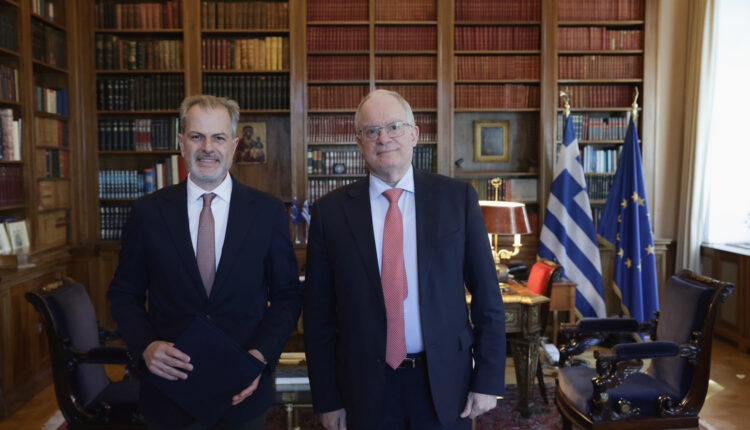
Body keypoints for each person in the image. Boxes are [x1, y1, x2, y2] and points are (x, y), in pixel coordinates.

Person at [303, 89, 507, 430]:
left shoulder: (457, 199)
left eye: (394, 127)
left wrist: (488, 378)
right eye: (372, 130)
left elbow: (488, 295)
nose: (383, 138)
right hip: (364, 386)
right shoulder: (330, 213)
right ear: (359, 142)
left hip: (444, 380)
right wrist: (327, 397)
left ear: (414, 134)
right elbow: (317, 316)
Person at [108, 95, 302, 430]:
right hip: (169, 393)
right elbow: (124, 293)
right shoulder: (148, 213)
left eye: (219, 137)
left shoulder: (268, 212)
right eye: (197, 136)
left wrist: (259, 357)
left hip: (242, 391)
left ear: (234, 145)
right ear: (181, 143)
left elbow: (287, 295)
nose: (207, 148)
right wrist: (146, 346)